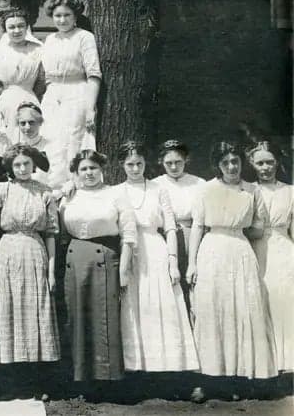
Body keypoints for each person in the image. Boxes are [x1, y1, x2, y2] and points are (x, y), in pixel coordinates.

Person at [186, 142, 276, 391]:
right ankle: (207, 379)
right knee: (211, 312)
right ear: (218, 165)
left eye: (235, 161)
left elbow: (258, 226)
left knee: (241, 311)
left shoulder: (251, 190)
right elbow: (197, 226)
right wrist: (191, 264)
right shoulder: (206, 189)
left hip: (240, 250)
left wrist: (242, 230)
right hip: (212, 249)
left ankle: (237, 378)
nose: (231, 166)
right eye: (225, 162)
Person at [114, 141, 199, 373]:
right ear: (122, 165)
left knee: (161, 305)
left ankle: (168, 366)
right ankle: (137, 366)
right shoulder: (115, 191)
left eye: (139, 163)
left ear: (145, 164)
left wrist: (173, 260)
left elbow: (170, 227)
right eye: (130, 164)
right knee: (134, 305)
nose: (135, 169)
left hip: (156, 249)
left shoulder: (157, 189)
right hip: (128, 251)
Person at [60, 150, 136, 383]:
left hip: (105, 257)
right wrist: (64, 190)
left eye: (93, 168)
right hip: (76, 259)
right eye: (83, 169)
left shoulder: (115, 194)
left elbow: (129, 233)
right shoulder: (70, 196)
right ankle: (81, 376)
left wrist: (124, 270)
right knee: (77, 316)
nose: (89, 173)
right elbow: (60, 227)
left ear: (102, 169)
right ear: (76, 173)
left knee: (105, 316)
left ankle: (108, 377)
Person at [0, 144, 59, 396]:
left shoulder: (45, 192)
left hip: (35, 252)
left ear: (34, 165)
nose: (21, 169)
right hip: (8, 252)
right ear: (10, 167)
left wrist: (51, 272)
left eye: (26, 164)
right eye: (17, 165)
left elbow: (51, 234)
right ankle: (13, 382)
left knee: (37, 313)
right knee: (10, 313)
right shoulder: (1, 190)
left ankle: (38, 381)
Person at [40, 0, 101, 189]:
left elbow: (93, 74)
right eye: (58, 15)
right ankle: (52, 190)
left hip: (77, 93)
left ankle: (75, 188)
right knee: (51, 141)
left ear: (75, 16)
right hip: (52, 95)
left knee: (73, 142)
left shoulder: (84, 37)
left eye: (67, 15)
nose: (62, 20)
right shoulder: (50, 39)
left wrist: (90, 107)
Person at [248, 141, 293, 373]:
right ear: (253, 165)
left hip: (284, 251)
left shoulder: (290, 191)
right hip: (256, 248)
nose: (265, 167)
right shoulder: (248, 190)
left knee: (284, 302)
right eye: (260, 163)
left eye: (270, 162)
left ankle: (287, 362)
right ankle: (265, 364)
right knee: (260, 301)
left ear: (277, 162)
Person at [150, 140, 205, 317]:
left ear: (186, 160)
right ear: (161, 162)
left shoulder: (199, 183)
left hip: (193, 236)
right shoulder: (155, 185)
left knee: (194, 283)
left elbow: (200, 218)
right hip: (166, 239)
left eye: (178, 162)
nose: (174, 167)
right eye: (169, 163)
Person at [0, 9, 44, 137]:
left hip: (30, 98)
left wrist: (31, 95)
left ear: (27, 27)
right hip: (5, 100)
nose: (16, 31)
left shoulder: (37, 49)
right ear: (5, 29)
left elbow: (41, 80)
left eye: (20, 26)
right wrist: (2, 93)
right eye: (11, 27)